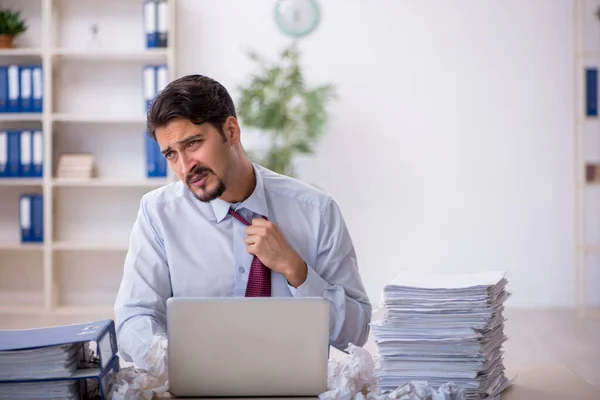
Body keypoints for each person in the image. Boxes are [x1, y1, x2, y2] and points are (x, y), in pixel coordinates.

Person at [113, 74, 372, 369]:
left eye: (193, 143)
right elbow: (134, 318)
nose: (185, 167)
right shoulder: (158, 213)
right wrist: (181, 364)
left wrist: (297, 272)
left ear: (231, 131)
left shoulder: (316, 211)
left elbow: (356, 332)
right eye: (172, 154)